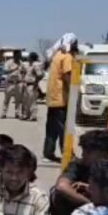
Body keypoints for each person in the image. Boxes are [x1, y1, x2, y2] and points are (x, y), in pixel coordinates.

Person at [50, 129, 108, 215]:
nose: (83, 154)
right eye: (83, 150)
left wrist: (94, 200)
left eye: (88, 151)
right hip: (77, 214)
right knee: (56, 194)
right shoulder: (78, 165)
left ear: (103, 152)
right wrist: (88, 203)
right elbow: (62, 186)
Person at [43, 33, 78, 162]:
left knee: (51, 128)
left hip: (52, 98)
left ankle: (48, 153)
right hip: (61, 98)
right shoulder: (67, 57)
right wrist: (74, 93)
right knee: (63, 128)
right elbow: (67, 75)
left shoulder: (56, 55)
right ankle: (67, 153)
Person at [21, 52, 44, 121]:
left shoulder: (35, 65)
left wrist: (36, 83)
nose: (28, 58)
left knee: (32, 101)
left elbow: (40, 75)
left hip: (32, 85)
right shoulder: (28, 65)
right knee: (26, 101)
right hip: (26, 85)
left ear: (32, 58)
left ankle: (33, 116)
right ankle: (26, 115)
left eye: (29, 57)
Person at [2, 51, 24, 119]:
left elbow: (24, 72)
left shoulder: (21, 63)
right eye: (18, 55)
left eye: (20, 56)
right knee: (6, 99)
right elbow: (5, 71)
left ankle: (17, 113)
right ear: (14, 55)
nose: (19, 57)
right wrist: (13, 69)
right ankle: (4, 113)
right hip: (10, 82)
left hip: (18, 82)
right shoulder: (9, 62)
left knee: (18, 100)